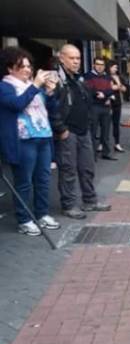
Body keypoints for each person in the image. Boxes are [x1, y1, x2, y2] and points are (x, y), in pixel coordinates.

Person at [0, 46, 60, 235]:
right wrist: (35, 86)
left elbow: (49, 107)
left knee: (43, 179)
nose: (28, 70)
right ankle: (24, 219)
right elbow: (16, 104)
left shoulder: (31, 86)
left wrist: (50, 93)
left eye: (29, 66)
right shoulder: (4, 87)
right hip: (23, 140)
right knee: (23, 181)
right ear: (10, 69)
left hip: (42, 136)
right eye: (22, 66)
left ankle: (41, 214)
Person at [50, 44, 111, 219]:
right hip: (68, 132)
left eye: (78, 58)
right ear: (61, 58)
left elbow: (86, 101)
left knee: (87, 167)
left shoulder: (78, 79)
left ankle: (90, 201)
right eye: (72, 58)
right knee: (68, 169)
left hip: (84, 130)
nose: (76, 61)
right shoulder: (56, 79)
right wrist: (61, 129)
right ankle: (68, 205)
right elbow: (51, 106)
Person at [84, 57, 116, 160]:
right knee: (93, 131)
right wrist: (99, 93)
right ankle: (92, 155)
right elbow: (89, 89)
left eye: (102, 65)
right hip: (94, 106)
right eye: (97, 64)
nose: (100, 66)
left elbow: (111, 90)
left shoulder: (107, 77)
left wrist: (105, 95)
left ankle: (106, 153)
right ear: (93, 65)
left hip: (105, 106)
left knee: (106, 131)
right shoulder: (88, 76)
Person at [107, 61, 126, 153]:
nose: (116, 69)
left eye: (116, 68)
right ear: (109, 67)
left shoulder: (119, 77)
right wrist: (118, 86)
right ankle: (102, 143)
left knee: (116, 124)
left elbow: (124, 89)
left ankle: (117, 143)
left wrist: (117, 85)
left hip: (118, 102)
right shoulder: (106, 77)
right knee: (105, 124)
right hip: (108, 103)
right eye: (114, 67)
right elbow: (110, 88)